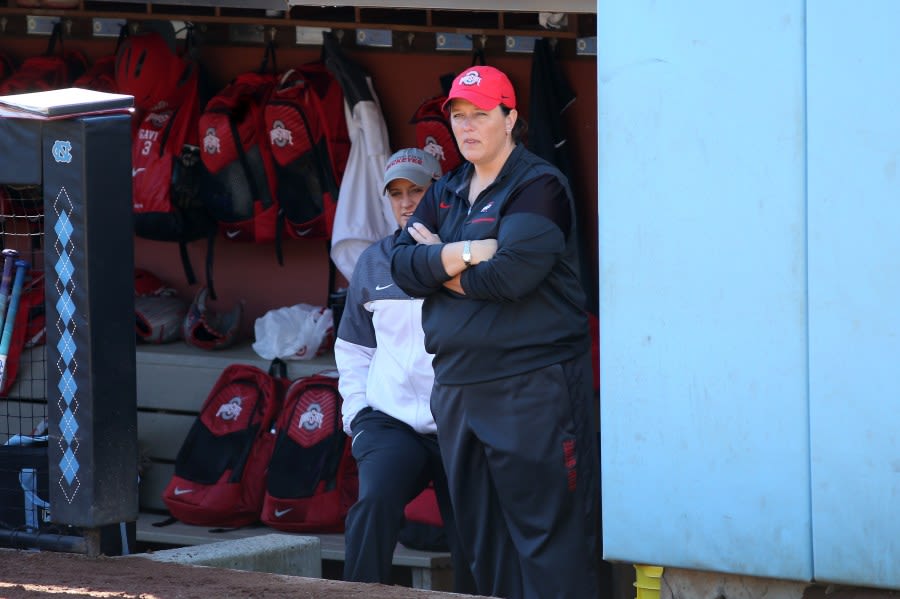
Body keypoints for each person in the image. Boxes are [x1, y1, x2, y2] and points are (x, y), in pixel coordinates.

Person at [390, 65, 601, 599]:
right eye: (459, 116)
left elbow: (510, 276)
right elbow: (398, 264)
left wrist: (436, 264)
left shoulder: (539, 186)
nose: (467, 127)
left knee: (550, 540)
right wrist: (463, 254)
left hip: (530, 389)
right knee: (485, 544)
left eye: (480, 114)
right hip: (459, 389)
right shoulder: (448, 189)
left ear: (510, 118)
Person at [335, 147, 474, 592]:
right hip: (391, 422)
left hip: (459, 421)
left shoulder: (463, 254)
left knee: (472, 534)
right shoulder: (373, 261)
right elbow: (353, 347)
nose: (405, 202)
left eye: (416, 190)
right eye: (395, 193)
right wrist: (356, 415)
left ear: (442, 192)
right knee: (374, 502)